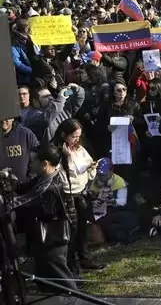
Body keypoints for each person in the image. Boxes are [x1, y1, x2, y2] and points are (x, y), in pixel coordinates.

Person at [11, 143, 77, 293]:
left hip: (53, 241)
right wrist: (12, 182)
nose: (30, 163)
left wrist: (9, 204)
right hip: (42, 241)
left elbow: (29, 202)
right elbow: (25, 189)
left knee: (64, 283)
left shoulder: (51, 186)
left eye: (33, 160)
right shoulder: (44, 177)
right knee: (46, 283)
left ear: (45, 164)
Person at [51, 119, 105, 273]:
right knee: (71, 233)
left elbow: (88, 170)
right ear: (63, 134)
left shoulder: (80, 149)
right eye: (73, 136)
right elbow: (59, 175)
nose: (76, 139)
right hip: (67, 195)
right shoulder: (57, 152)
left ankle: (85, 258)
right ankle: (72, 266)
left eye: (78, 136)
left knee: (82, 229)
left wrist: (91, 167)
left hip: (81, 193)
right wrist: (67, 158)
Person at [1, 116, 39, 183]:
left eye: (6, 116)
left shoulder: (26, 134)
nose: (3, 120)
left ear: (12, 117)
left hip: (25, 187)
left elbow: (38, 158)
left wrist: (30, 179)